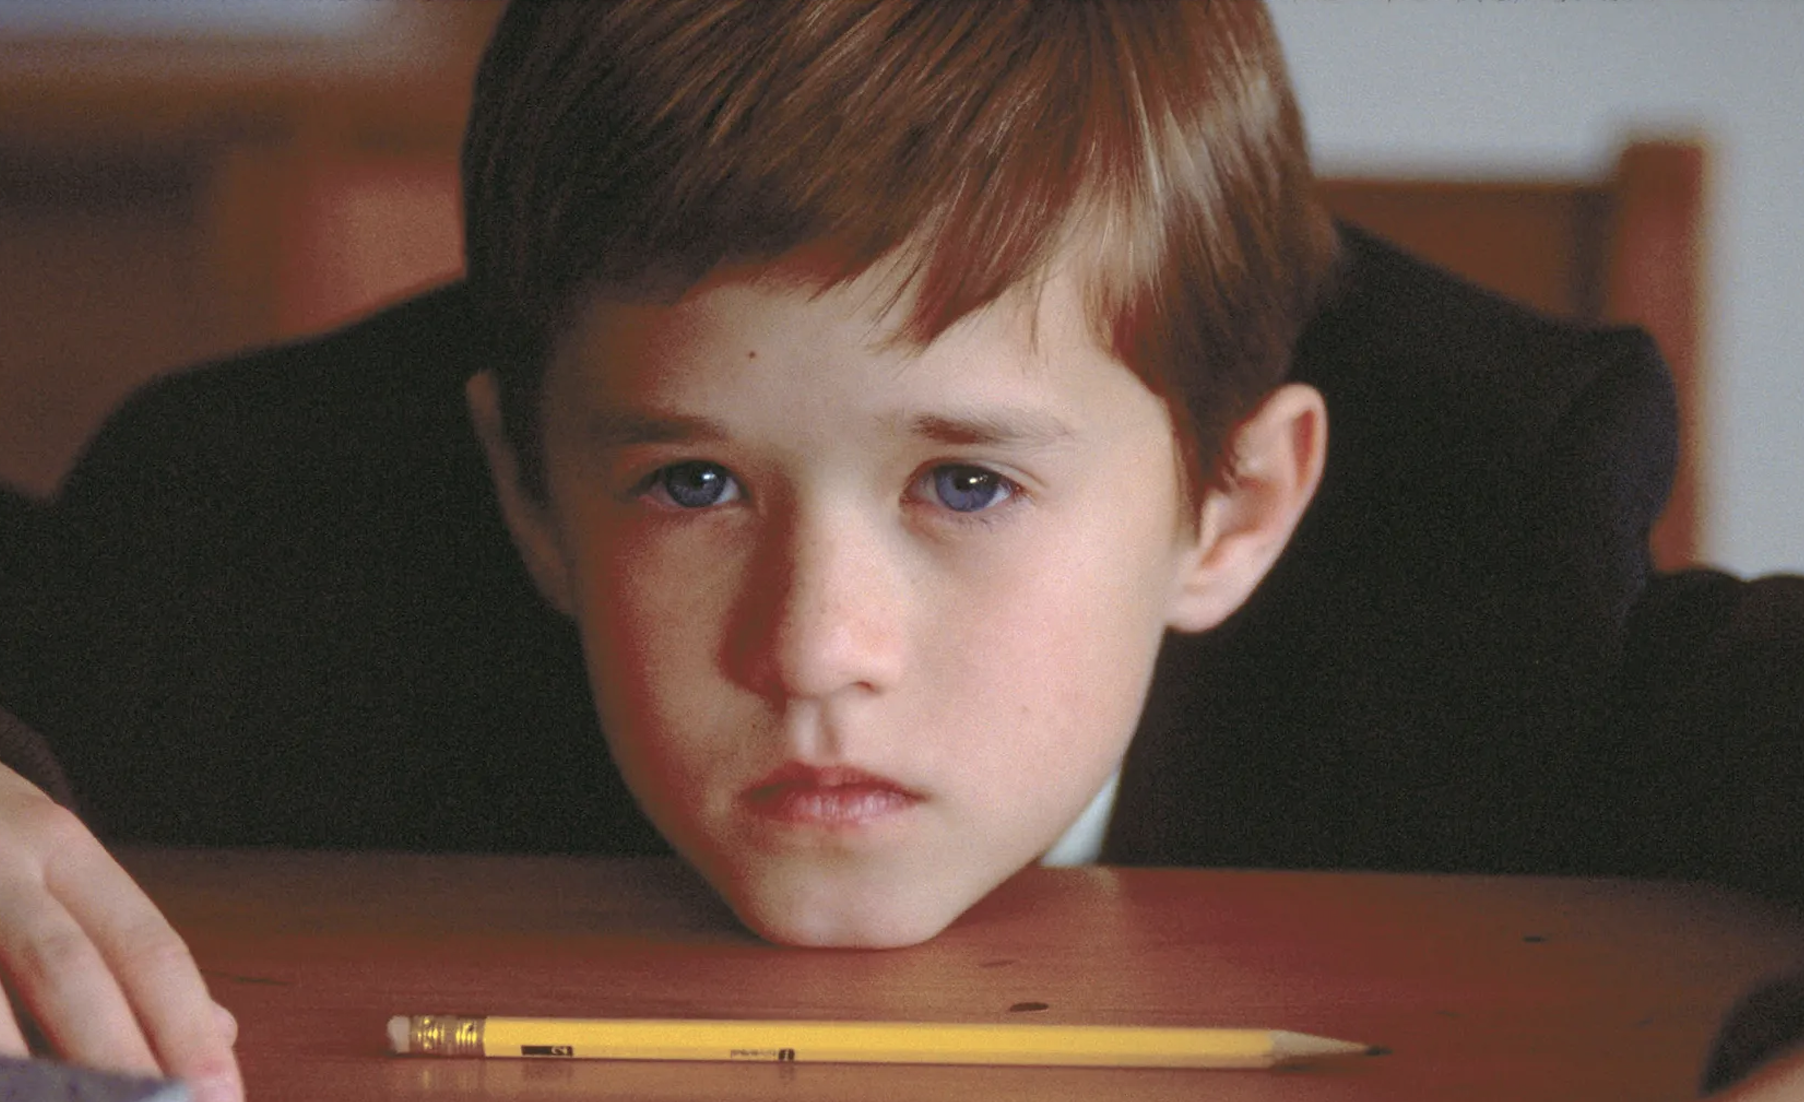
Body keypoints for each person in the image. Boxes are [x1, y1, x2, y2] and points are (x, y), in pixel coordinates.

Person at [0, 3, 1799, 1099]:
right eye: (692, 486)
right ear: (529, 489)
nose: (814, 650)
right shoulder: (249, 539)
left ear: (1233, 508)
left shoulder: (1483, 552)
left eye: (965, 488)